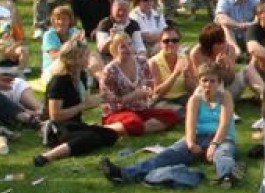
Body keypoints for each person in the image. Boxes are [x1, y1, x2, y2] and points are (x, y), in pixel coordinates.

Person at [102, 62, 243, 186]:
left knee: (223, 154)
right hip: (198, 137)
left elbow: (224, 124)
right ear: (199, 82)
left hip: (221, 138)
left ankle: (227, 176)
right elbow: (190, 125)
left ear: (219, 82)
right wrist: (190, 143)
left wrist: (214, 144)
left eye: (212, 81)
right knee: (168, 154)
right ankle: (124, 173)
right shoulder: (195, 99)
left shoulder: (225, 96)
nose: (208, 84)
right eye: (205, 80)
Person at [33, 41, 121, 166]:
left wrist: (101, 98)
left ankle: (76, 144)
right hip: (58, 128)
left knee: (110, 135)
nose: (88, 59)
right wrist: (82, 106)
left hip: (75, 123)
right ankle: (47, 156)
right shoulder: (59, 81)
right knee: (89, 137)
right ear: (76, 58)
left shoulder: (81, 76)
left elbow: (84, 101)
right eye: (85, 56)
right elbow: (55, 115)